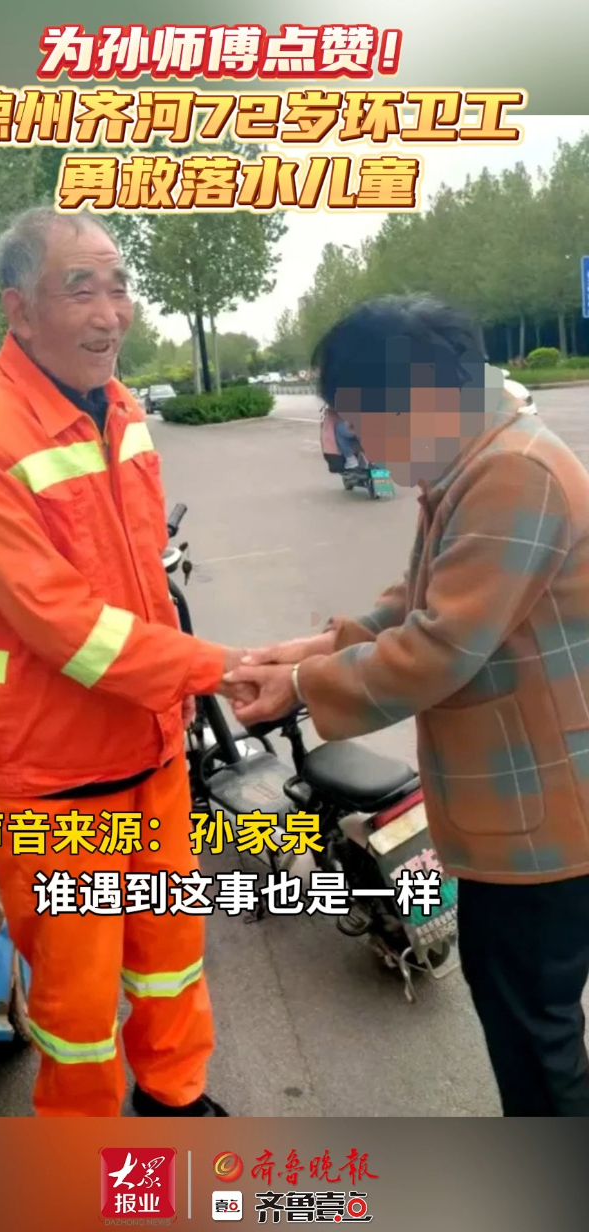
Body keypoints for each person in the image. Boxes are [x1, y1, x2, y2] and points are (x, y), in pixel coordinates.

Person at [225, 295, 589, 1118]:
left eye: (362, 422)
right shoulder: (476, 456)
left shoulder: (515, 474)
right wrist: (315, 648)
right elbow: (422, 597)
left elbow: (438, 648)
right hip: (516, 809)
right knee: (524, 1017)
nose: (362, 444)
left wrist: (301, 686)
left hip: (541, 820)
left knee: (535, 1036)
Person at [0, 206, 247, 1118]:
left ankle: (175, 1095)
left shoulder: (123, 409)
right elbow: (63, 624)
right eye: (81, 289)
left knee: (170, 951)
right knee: (76, 1000)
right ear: (18, 310)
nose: (111, 313)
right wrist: (217, 668)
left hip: (151, 750)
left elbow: (144, 575)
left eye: (119, 286)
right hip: (55, 779)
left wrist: (180, 690)